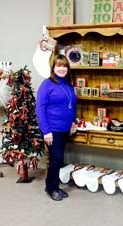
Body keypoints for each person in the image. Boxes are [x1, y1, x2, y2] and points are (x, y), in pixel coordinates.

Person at [36, 54, 77, 201]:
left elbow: (72, 105)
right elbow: (40, 108)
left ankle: (55, 186)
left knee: (58, 159)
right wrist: (46, 131)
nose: (62, 68)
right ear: (53, 67)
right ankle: (51, 188)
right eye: (59, 65)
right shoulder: (47, 84)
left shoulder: (68, 85)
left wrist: (73, 122)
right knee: (56, 159)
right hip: (52, 129)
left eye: (64, 66)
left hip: (64, 129)